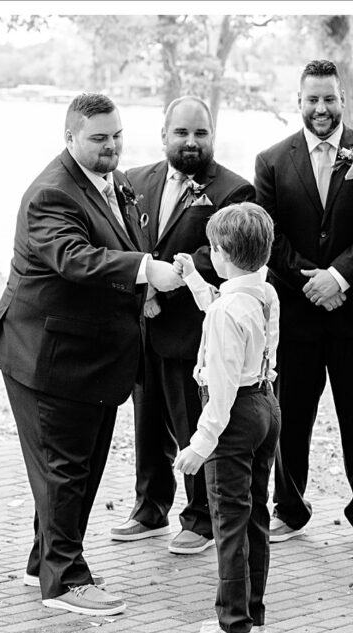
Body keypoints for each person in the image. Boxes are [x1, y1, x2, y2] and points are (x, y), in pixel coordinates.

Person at [0, 93, 185, 616]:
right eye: (99, 139)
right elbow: (74, 258)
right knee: (65, 469)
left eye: (117, 136)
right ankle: (67, 580)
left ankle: (43, 562)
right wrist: (145, 269)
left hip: (94, 354)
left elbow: (120, 238)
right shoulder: (50, 194)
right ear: (70, 137)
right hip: (49, 354)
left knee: (77, 468)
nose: (111, 147)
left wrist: (145, 290)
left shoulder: (113, 183)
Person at [253, 59, 353, 549]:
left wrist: (338, 276)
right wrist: (310, 283)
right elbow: (267, 232)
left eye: (330, 98)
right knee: (290, 415)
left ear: (343, 99)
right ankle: (289, 509)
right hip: (295, 313)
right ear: (298, 102)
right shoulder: (272, 160)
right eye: (312, 99)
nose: (321, 108)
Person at [110, 95, 255, 555]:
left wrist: (162, 280)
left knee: (194, 424)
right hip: (142, 330)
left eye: (201, 133)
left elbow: (219, 258)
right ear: (164, 136)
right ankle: (150, 508)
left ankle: (200, 519)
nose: (191, 142)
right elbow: (125, 241)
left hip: (195, 332)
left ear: (212, 135)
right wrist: (141, 278)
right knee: (147, 423)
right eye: (182, 133)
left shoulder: (234, 191)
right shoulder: (132, 180)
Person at [173, 202, 281, 633]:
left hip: (233, 416)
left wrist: (201, 443)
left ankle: (232, 630)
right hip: (266, 405)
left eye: (211, 249)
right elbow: (223, 306)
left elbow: (219, 385)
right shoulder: (263, 293)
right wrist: (194, 281)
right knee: (254, 516)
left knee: (228, 522)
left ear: (223, 253)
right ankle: (252, 618)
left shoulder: (225, 313)